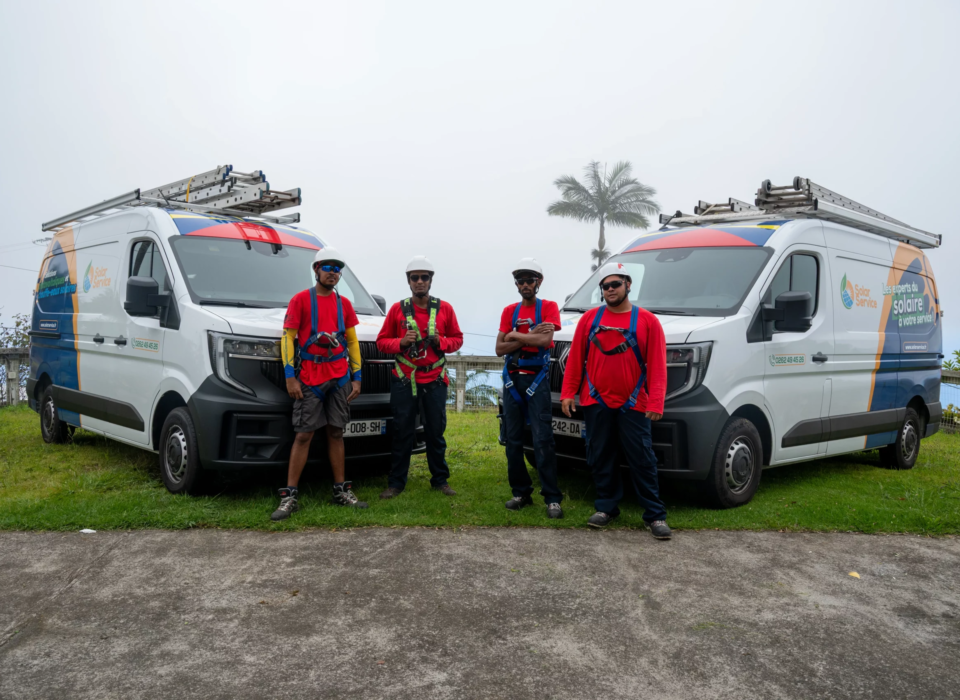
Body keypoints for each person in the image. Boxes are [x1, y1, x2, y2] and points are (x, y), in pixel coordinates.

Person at [560, 261, 671, 539]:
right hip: (595, 401)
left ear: (628, 285)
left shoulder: (647, 321)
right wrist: (567, 393)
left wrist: (656, 402)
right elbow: (575, 360)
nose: (610, 290)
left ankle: (654, 516)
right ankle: (607, 507)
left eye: (615, 284)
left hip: (634, 403)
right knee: (600, 455)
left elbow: (657, 366)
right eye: (605, 286)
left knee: (642, 458)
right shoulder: (589, 320)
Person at [271, 248, 366, 521]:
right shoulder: (301, 300)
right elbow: (288, 339)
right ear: (316, 270)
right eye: (328, 267)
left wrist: (356, 378)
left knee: (336, 432)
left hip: (339, 378)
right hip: (309, 379)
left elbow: (352, 342)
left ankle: (341, 490)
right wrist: (290, 376)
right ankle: (289, 496)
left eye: (337, 269)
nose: (333, 273)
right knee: (303, 435)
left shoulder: (344, 305)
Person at [376, 256, 464, 499]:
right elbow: (382, 342)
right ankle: (396, 483)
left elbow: (458, 338)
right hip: (405, 379)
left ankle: (440, 481)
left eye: (424, 277)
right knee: (402, 431)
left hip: (434, 380)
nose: (420, 282)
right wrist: (401, 342)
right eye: (415, 278)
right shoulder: (397, 309)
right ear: (409, 282)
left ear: (430, 280)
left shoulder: (444, 308)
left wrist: (442, 342)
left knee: (435, 432)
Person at [496, 258, 564, 518]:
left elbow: (546, 341)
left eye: (530, 280)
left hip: (537, 381)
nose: (525, 284)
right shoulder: (509, 311)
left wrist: (514, 335)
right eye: (521, 281)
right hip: (513, 380)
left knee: (542, 439)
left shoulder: (549, 307)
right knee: (513, 440)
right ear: (517, 284)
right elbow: (499, 348)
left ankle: (552, 498)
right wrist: (529, 336)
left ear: (539, 282)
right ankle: (521, 492)